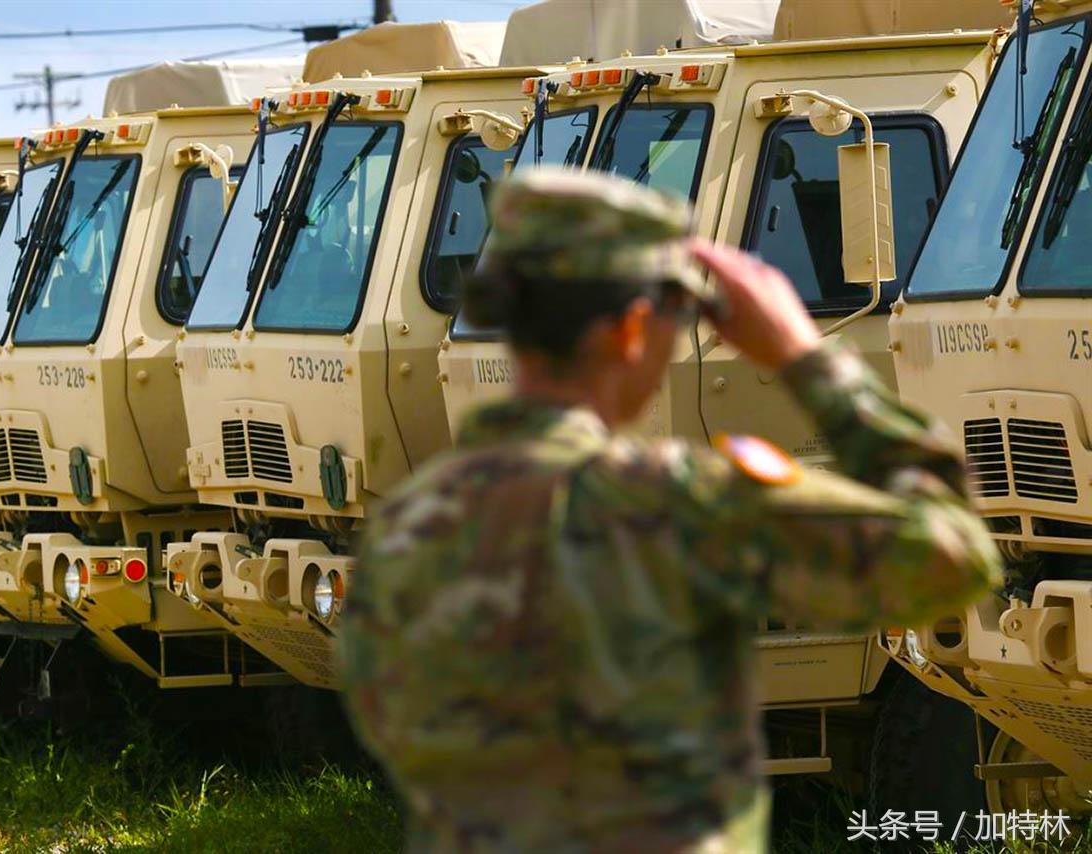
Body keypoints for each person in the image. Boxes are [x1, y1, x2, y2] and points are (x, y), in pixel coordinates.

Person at [337, 167, 1001, 853]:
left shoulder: (404, 525)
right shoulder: (677, 503)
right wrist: (806, 359)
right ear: (630, 330)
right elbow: (953, 557)